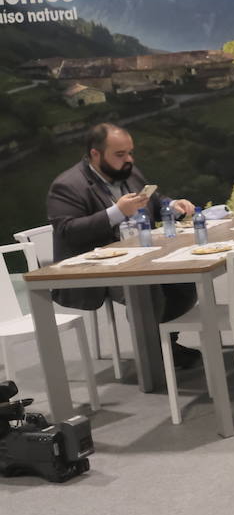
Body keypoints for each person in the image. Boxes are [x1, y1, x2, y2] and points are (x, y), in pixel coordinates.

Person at [46, 122, 200, 368]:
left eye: (130, 152)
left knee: (185, 283)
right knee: (148, 290)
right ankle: (153, 356)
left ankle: (164, 342)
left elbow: (155, 201)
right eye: (120, 154)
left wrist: (173, 206)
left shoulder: (130, 173)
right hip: (98, 269)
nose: (128, 159)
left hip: (144, 256)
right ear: (95, 154)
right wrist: (116, 213)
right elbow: (68, 232)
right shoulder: (68, 185)